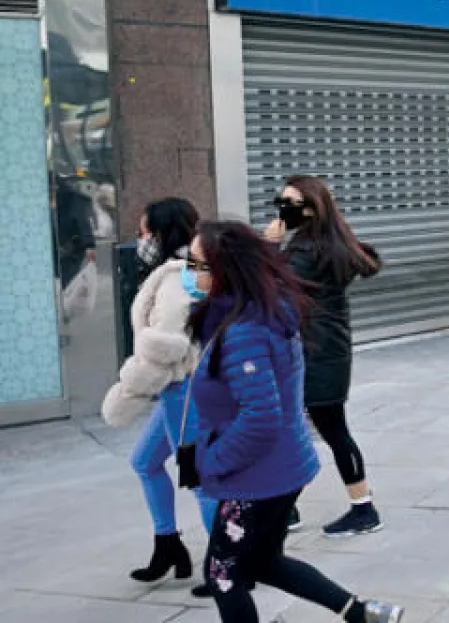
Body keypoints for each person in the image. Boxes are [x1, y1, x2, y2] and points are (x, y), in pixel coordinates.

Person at [184, 222, 403, 623]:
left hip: (255, 476)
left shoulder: (245, 330)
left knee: (223, 576)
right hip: (282, 466)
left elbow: (262, 416)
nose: (189, 272)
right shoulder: (262, 310)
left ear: (224, 269)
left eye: (196, 263)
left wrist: (212, 461)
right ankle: (364, 614)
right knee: (266, 563)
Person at [102, 198, 218, 592]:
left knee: (199, 478)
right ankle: (168, 546)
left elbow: (165, 346)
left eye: (145, 232)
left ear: (163, 233)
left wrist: (127, 393)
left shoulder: (175, 277)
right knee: (145, 461)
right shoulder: (192, 268)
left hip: (181, 389)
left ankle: (227, 566)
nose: (140, 239)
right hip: (182, 388)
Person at [265, 176, 382, 537]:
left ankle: (363, 510)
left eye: (292, 202)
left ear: (314, 209)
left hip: (318, 354)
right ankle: (288, 508)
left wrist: (269, 246)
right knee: (307, 428)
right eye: (280, 200)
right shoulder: (326, 243)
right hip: (325, 349)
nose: (283, 209)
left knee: (326, 429)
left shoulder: (307, 251)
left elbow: (271, 285)